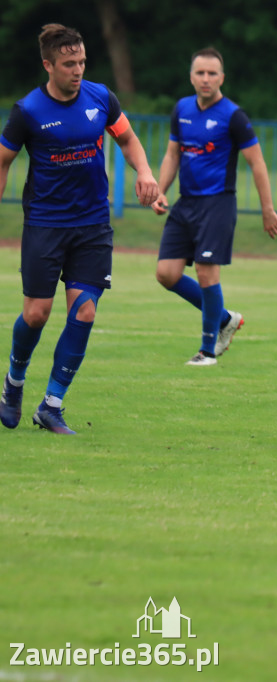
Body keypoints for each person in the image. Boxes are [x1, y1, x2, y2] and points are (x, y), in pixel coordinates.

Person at [0, 24, 159, 435]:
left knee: (84, 310)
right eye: (69, 64)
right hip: (45, 225)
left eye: (83, 62)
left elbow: (127, 138)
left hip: (92, 224)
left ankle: (51, 404)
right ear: (48, 65)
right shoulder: (28, 111)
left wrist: (144, 172)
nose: (78, 70)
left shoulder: (100, 97)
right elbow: (3, 160)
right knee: (36, 314)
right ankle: (13, 385)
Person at [152, 47, 277, 366]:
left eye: (212, 73)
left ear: (222, 78)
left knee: (206, 273)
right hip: (186, 204)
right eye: (200, 73)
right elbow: (173, 155)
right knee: (166, 274)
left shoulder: (233, 116)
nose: (206, 78)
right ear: (191, 76)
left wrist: (267, 208)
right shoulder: (182, 109)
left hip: (218, 204)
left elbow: (257, 163)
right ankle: (225, 319)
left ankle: (208, 350)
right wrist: (160, 191)